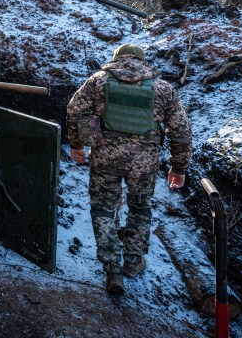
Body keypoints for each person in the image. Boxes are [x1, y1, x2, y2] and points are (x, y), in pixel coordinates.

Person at [67, 43, 192, 296]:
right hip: (145, 164)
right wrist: (178, 168)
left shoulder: (99, 81)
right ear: (143, 61)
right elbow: (180, 131)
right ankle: (133, 263)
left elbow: (74, 110)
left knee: (102, 208)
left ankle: (112, 269)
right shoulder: (163, 89)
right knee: (140, 208)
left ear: (117, 59)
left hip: (105, 159)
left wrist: (78, 145)